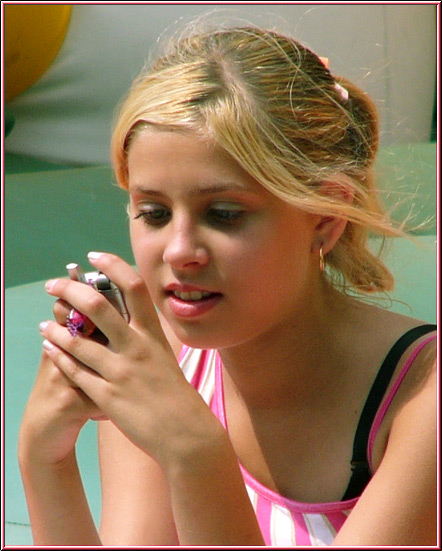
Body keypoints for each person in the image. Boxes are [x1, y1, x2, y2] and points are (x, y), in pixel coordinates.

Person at [18, 23, 437, 547]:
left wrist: (196, 453)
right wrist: (43, 456)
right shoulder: (154, 365)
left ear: (326, 217)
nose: (178, 250)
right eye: (153, 212)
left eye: (223, 213)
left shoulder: (424, 401)